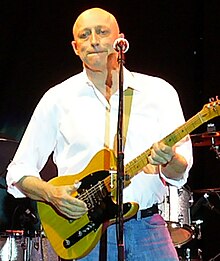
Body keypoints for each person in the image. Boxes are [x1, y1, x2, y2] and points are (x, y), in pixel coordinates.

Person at [6, 7, 193, 261]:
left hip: (147, 229)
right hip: (83, 233)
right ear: (75, 47)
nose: (93, 40)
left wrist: (171, 160)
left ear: (120, 41)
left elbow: (178, 174)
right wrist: (51, 195)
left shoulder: (159, 93)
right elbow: (18, 172)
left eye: (102, 32)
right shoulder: (57, 99)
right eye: (84, 35)